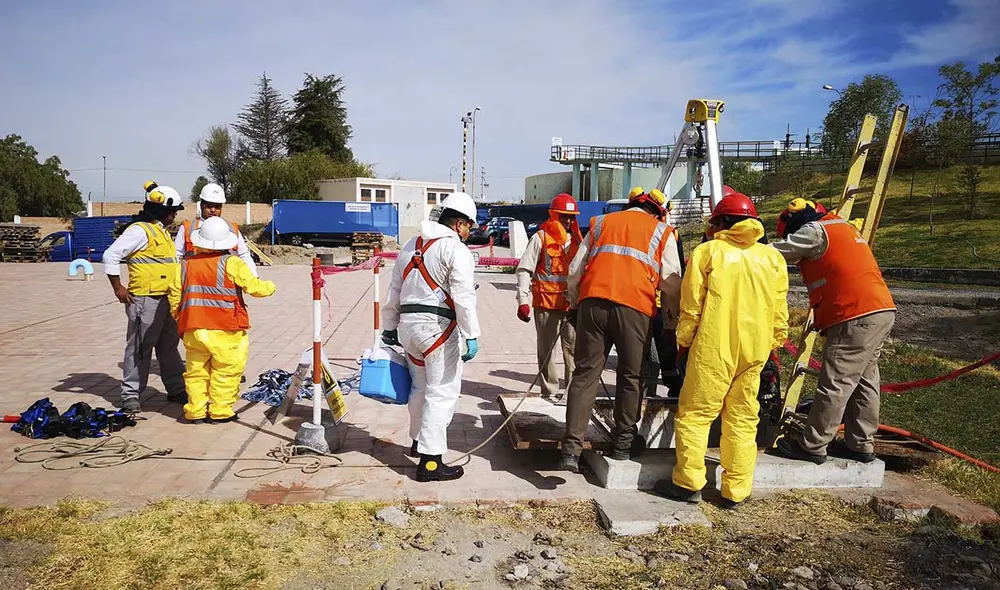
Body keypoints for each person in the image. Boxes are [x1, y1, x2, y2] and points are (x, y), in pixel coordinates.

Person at [653, 192, 789, 508]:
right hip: (755, 350)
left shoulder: (708, 253)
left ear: (720, 223)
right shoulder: (772, 259)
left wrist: (683, 344)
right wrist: (773, 345)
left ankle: (688, 483)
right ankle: (736, 491)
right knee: (743, 418)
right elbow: (779, 310)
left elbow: (691, 307)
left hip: (714, 348)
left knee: (696, 415)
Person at [557, 188, 683, 472]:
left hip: (593, 304)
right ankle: (623, 444)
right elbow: (672, 281)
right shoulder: (663, 232)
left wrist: (576, 305)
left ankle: (570, 450)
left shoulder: (602, 223)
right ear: (658, 211)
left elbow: (576, 268)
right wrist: (671, 320)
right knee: (631, 376)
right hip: (635, 308)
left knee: (585, 375)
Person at [771, 198, 896, 464]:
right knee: (865, 381)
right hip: (880, 310)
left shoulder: (815, 231)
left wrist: (743, 249)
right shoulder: (845, 228)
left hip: (853, 314)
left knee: (835, 382)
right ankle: (860, 444)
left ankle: (812, 445)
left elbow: (775, 254)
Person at [381, 192, 481, 482]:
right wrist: (471, 334)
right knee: (442, 392)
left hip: (409, 329)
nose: (469, 232)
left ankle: (417, 441)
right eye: (469, 226)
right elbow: (463, 296)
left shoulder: (412, 245)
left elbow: (395, 289)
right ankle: (431, 462)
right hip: (437, 330)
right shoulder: (454, 249)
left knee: (420, 388)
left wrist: (389, 325)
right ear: (459, 224)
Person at [167, 216, 276, 424]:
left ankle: (196, 411)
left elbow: (174, 294)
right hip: (225, 328)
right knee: (226, 371)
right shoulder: (232, 263)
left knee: (196, 372)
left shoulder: (184, 265)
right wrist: (270, 286)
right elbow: (254, 288)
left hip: (193, 328)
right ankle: (220, 411)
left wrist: (179, 315)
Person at [102, 184, 187, 413]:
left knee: (169, 347)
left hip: (167, 299)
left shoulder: (161, 232)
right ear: (162, 211)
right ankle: (131, 394)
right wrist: (118, 287)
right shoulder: (139, 231)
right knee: (140, 347)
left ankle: (177, 389)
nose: (175, 216)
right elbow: (110, 255)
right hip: (145, 300)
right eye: (173, 212)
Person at [515, 193, 583, 400]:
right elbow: (524, 270)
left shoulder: (578, 242)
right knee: (547, 352)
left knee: (573, 352)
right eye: (564, 217)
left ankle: (572, 394)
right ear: (554, 215)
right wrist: (523, 301)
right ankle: (550, 391)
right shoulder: (540, 238)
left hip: (571, 305)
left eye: (571, 217)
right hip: (546, 305)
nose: (569, 221)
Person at [174, 182, 258, 276]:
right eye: (209, 206)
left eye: (217, 207)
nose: (213, 210)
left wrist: (254, 277)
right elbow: (176, 256)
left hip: (226, 284)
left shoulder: (232, 229)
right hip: (196, 280)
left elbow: (244, 255)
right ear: (202, 205)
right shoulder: (187, 228)